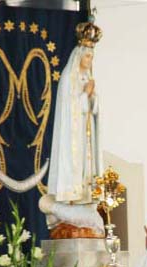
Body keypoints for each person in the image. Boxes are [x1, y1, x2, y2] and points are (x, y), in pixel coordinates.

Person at [47, 22, 101, 205]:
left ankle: (86, 194)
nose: (89, 61)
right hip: (73, 136)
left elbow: (94, 110)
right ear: (78, 57)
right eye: (87, 56)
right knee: (76, 167)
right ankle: (71, 194)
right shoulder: (68, 79)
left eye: (92, 57)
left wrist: (93, 98)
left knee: (88, 167)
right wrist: (85, 94)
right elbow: (69, 111)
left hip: (87, 135)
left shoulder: (87, 78)